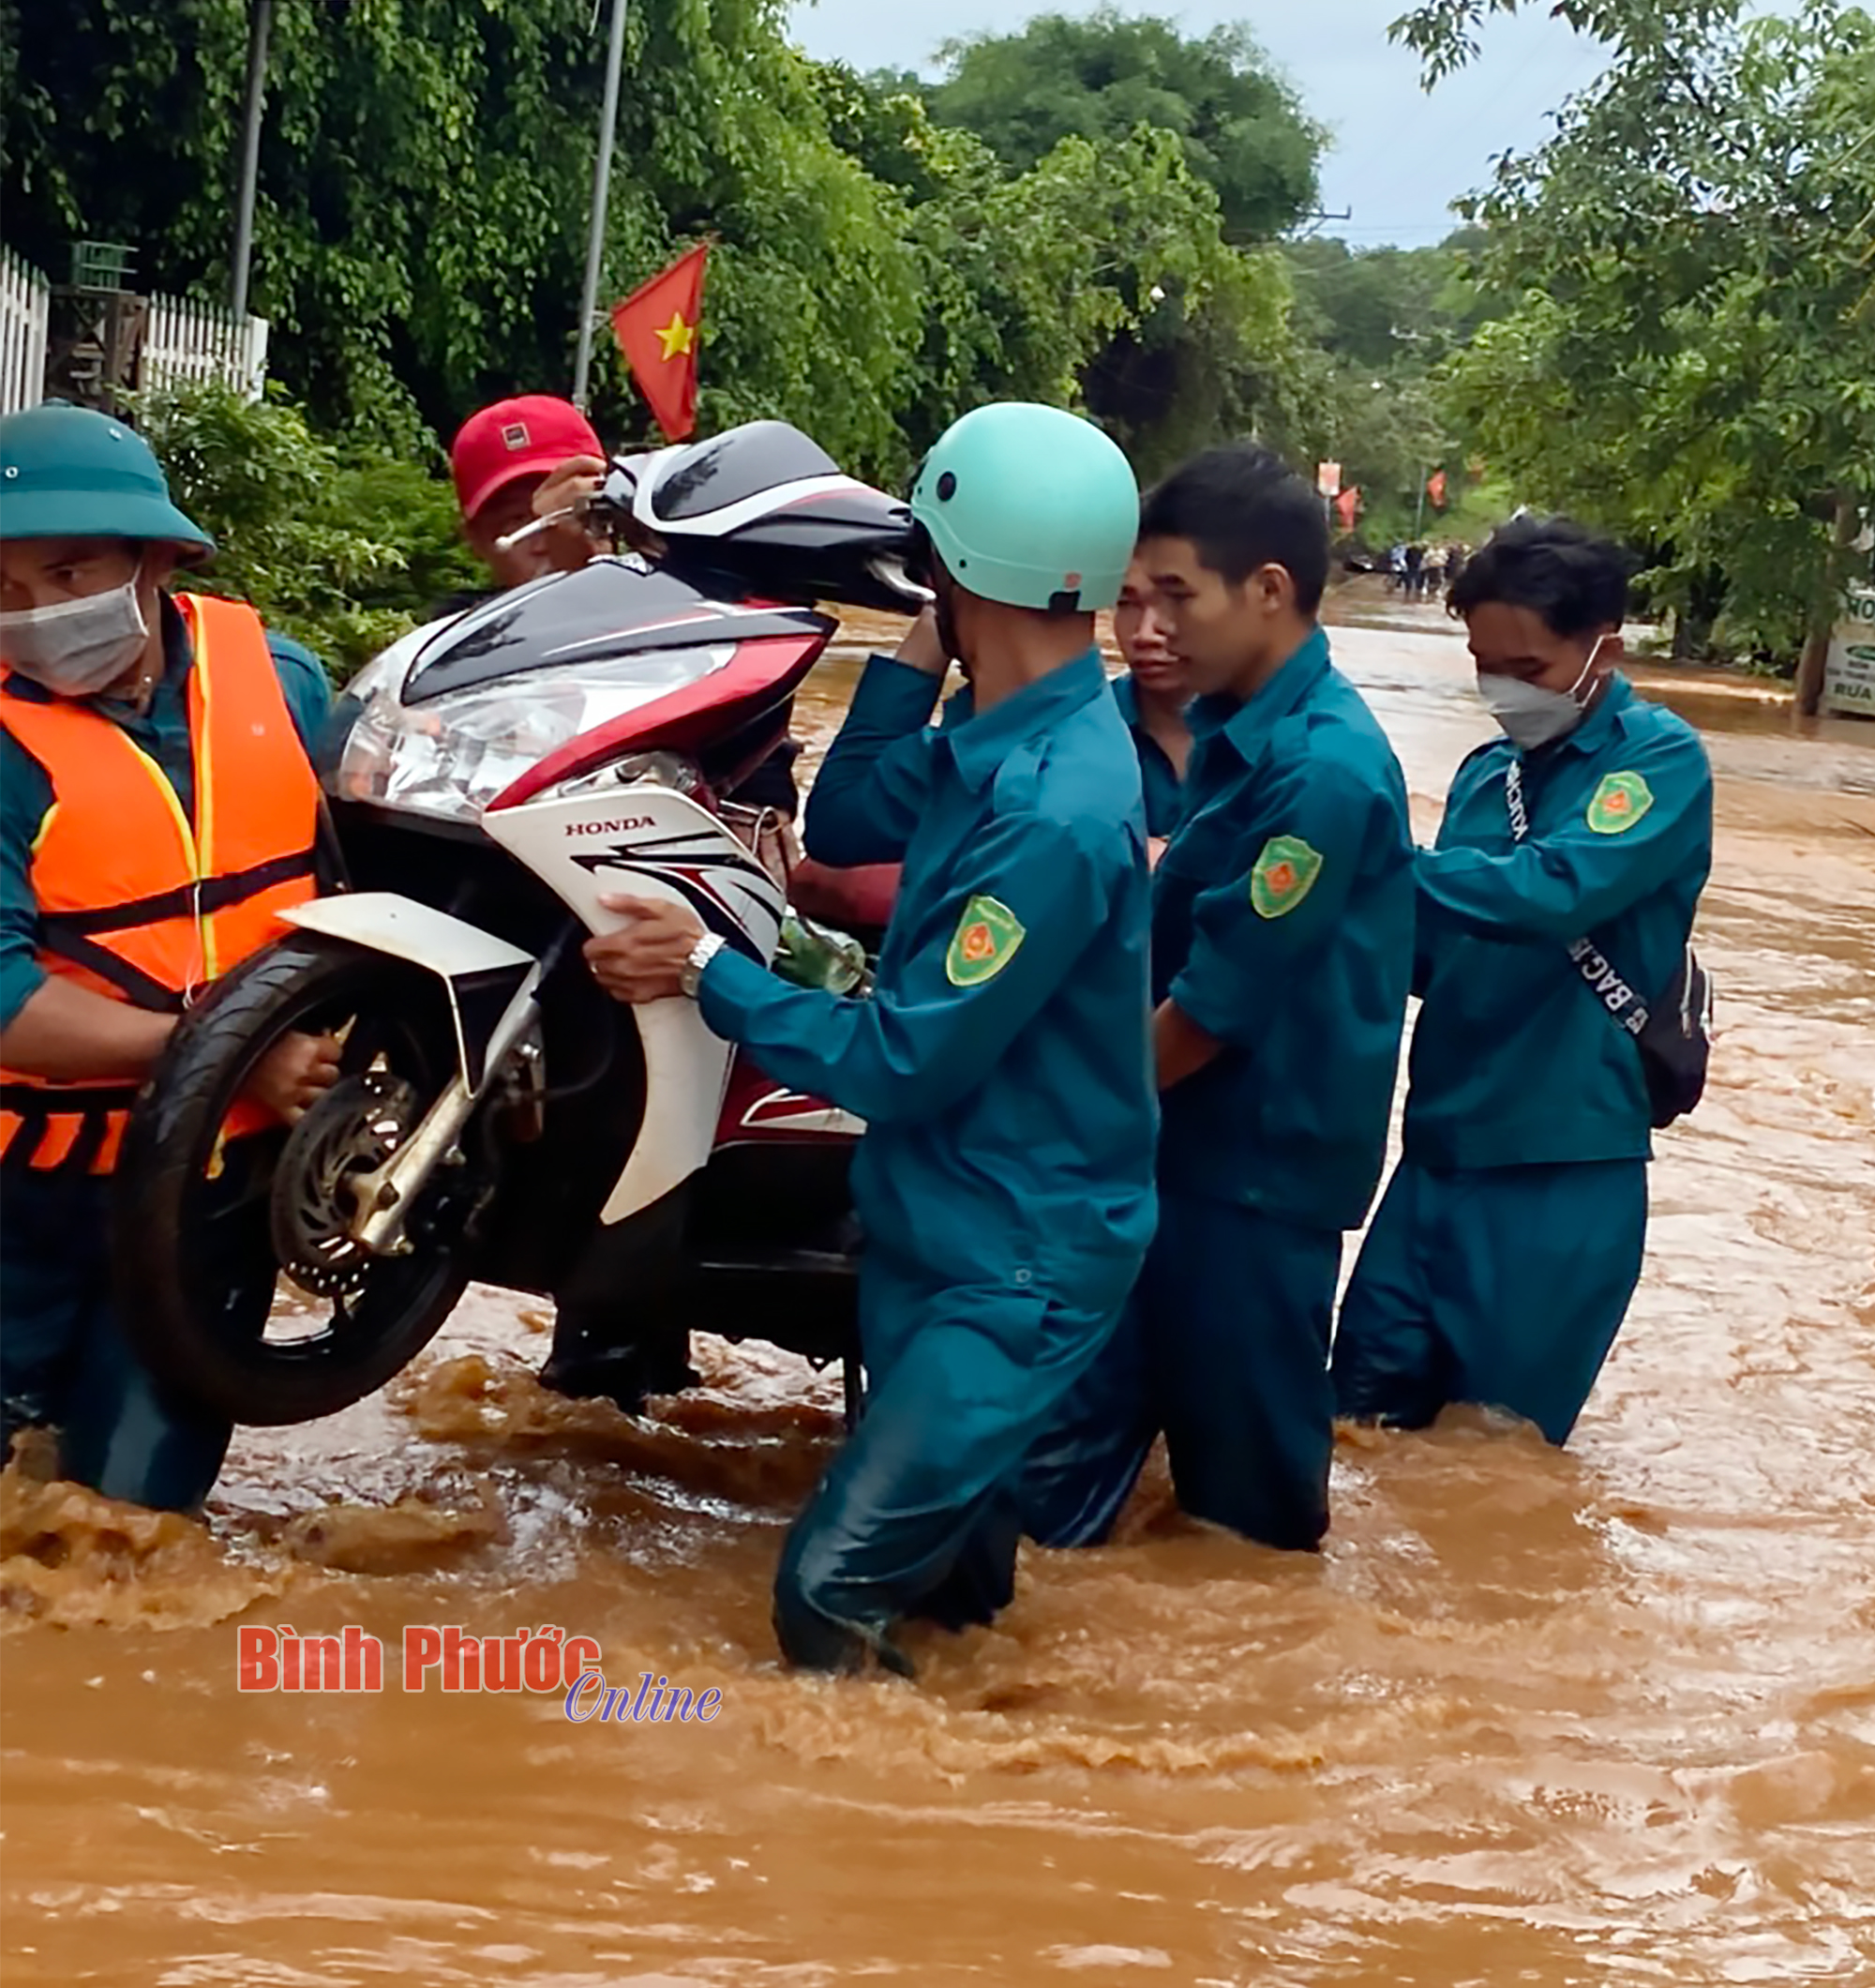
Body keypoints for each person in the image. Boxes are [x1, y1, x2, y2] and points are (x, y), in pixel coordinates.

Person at [584, 402, 1156, 1673]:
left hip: (1014, 1270)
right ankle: (968, 1811)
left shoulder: (1055, 811)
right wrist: (931, 645)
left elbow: (905, 1059)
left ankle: (851, 1840)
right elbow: (842, 821)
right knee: (952, 1603)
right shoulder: (1001, 739)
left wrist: (707, 971)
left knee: (827, 1596)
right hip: (941, 1231)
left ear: (954, 570)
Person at [1022, 444, 1415, 1555]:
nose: (1153, 626)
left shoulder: (1320, 770)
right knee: (1059, 1490)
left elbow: (1209, 1006)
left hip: (1250, 1186)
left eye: (1177, 596)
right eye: (1134, 597)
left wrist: (1060, 1115)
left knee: (1248, 1532)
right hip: (1174, 1156)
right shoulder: (1238, 740)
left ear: (1269, 592)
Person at [0, 402, 335, 1510]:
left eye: (67, 572)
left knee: (126, 1530)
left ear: (157, 557)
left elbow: (364, 889)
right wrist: (230, 1053)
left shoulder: (280, 683)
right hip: (28, 1196)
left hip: (212, 1189)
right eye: (4, 593)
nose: (39, 615)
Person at [1331, 518, 1714, 1444]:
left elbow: (1553, 889)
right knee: (1346, 1433)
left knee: (1493, 1465)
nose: (1501, 689)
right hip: (1430, 1164)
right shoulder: (1480, 776)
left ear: (1600, 650)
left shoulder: (1656, 763)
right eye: (1482, 662)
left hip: (1556, 1178)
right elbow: (1427, 953)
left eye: (1528, 669)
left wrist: (1367, 862)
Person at [1110, 556, 1191, 847]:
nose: (1145, 634)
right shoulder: (1086, 730)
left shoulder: (1284, 740)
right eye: (1127, 603)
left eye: (1176, 601)